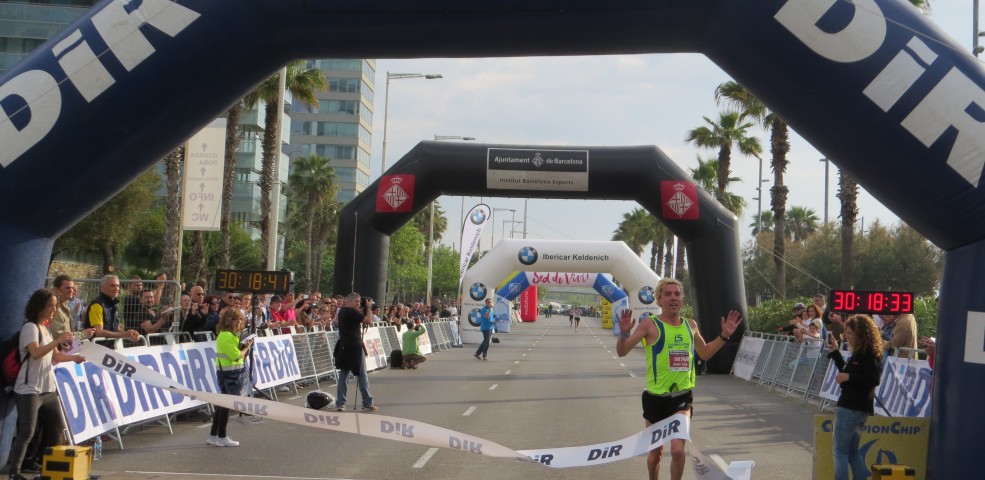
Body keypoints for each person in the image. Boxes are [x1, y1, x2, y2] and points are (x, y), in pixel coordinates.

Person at [615, 278, 741, 480]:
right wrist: (623, 334)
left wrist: (724, 336)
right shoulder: (650, 324)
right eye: (667, 294)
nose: (673, 298)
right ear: (659, 300)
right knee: (655, 455)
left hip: (681, 398)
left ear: (682, 299)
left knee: (677, 450)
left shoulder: (690, 326)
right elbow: (622, 351)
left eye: (677, 294)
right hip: (655, 398)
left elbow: (706, 353)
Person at [5, 289, 85, 480]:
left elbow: (54, 356)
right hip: (29, 389)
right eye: (51, 305)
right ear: (39, 306)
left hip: (47, 389)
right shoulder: (30, 328)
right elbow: (35, 353)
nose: (54, 309)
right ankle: (14, 471)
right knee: (27, 431)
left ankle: (48, 466)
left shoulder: (46, 329)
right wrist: (58, 340)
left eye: (55, 305)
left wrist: (74, 358)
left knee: (56, 427)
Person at [825, 314, 883, 480]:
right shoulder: (862, 353)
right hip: (859, 408)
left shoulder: (867, 354)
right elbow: (846, 372)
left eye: (849, 333)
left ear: (861, 333)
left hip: (851, 407)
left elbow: (873, 379)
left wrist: (849, 378)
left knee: (840, 451)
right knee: (851, 451)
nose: (847, 336)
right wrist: (836, 353)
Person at [207, 307, 254, 447]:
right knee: (226, 405)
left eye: (240, 319)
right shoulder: (226, 335)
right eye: (235, 319)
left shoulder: (231, 335)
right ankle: (222, 436)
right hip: (228, 375)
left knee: (222, 404)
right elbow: (235, 356)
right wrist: (247, 347)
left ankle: (213, 435)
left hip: (231, 373)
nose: (239, 322)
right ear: (228, 321)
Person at [333, 293, 379, 412]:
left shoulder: (342, 312)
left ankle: (340, 403)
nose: (359, 303)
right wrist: (368, 307)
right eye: (357, 301)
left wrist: (362, 310)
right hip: (355, 347)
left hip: (344, 346)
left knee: (344, 374)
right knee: (362, 374)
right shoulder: (351, 312)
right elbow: (369, 321)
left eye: (359, 302)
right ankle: (367, 402)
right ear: (349, 301)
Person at [84, 275, 140, 342]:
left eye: (118, 286)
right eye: (112, 286)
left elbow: (115, 327)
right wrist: (124, 335)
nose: (116, 288)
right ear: (102, 288)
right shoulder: (97, 305)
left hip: (110, 347)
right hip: (97, 348)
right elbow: (98, 332)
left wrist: (130, 334)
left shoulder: (114, 304)